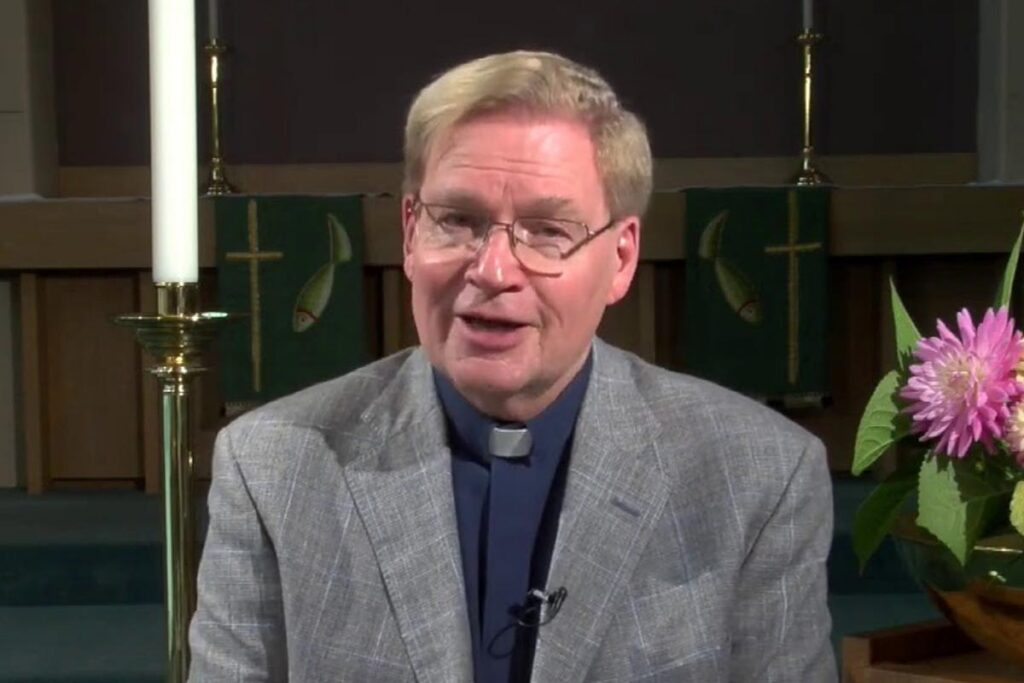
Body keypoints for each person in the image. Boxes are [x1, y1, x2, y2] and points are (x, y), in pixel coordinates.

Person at [188, 50, 836, 682]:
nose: (493, 269)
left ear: (621, 257)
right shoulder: (274, 467)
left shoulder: (757, 476)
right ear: (411, 233)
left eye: (548, 230)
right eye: (459, 221)